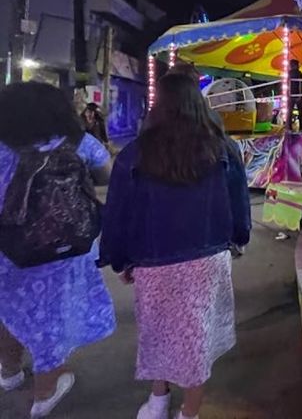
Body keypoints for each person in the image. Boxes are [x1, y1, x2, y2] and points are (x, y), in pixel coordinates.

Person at [100, 73, 251, 419]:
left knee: (157, 330)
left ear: (158, 105)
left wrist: (119, 258)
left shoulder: (136, 152)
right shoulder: (223, 148)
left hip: (153, 258)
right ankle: (189, 412)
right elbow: (239, 203)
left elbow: (119, 211)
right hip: (208, 257)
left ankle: (157, 400)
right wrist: (239, 238)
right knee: (197, 336)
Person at [0, 82, 115, 418]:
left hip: (9, 250)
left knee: (8, 309)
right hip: (65, 251)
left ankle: (8, 371)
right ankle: (45, 391)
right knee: (53, 317)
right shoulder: (79, 143)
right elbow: (107, 174)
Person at [288, 59, 302, 131]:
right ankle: (301, 127)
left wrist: (288, 94)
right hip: (297, 94)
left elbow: (287, 84)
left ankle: (289, 127)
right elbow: (301, 84)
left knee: (290, 111)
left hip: (291, 94)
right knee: (300, 111)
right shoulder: (299, 73)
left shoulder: (289, 73)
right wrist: (300, 95)